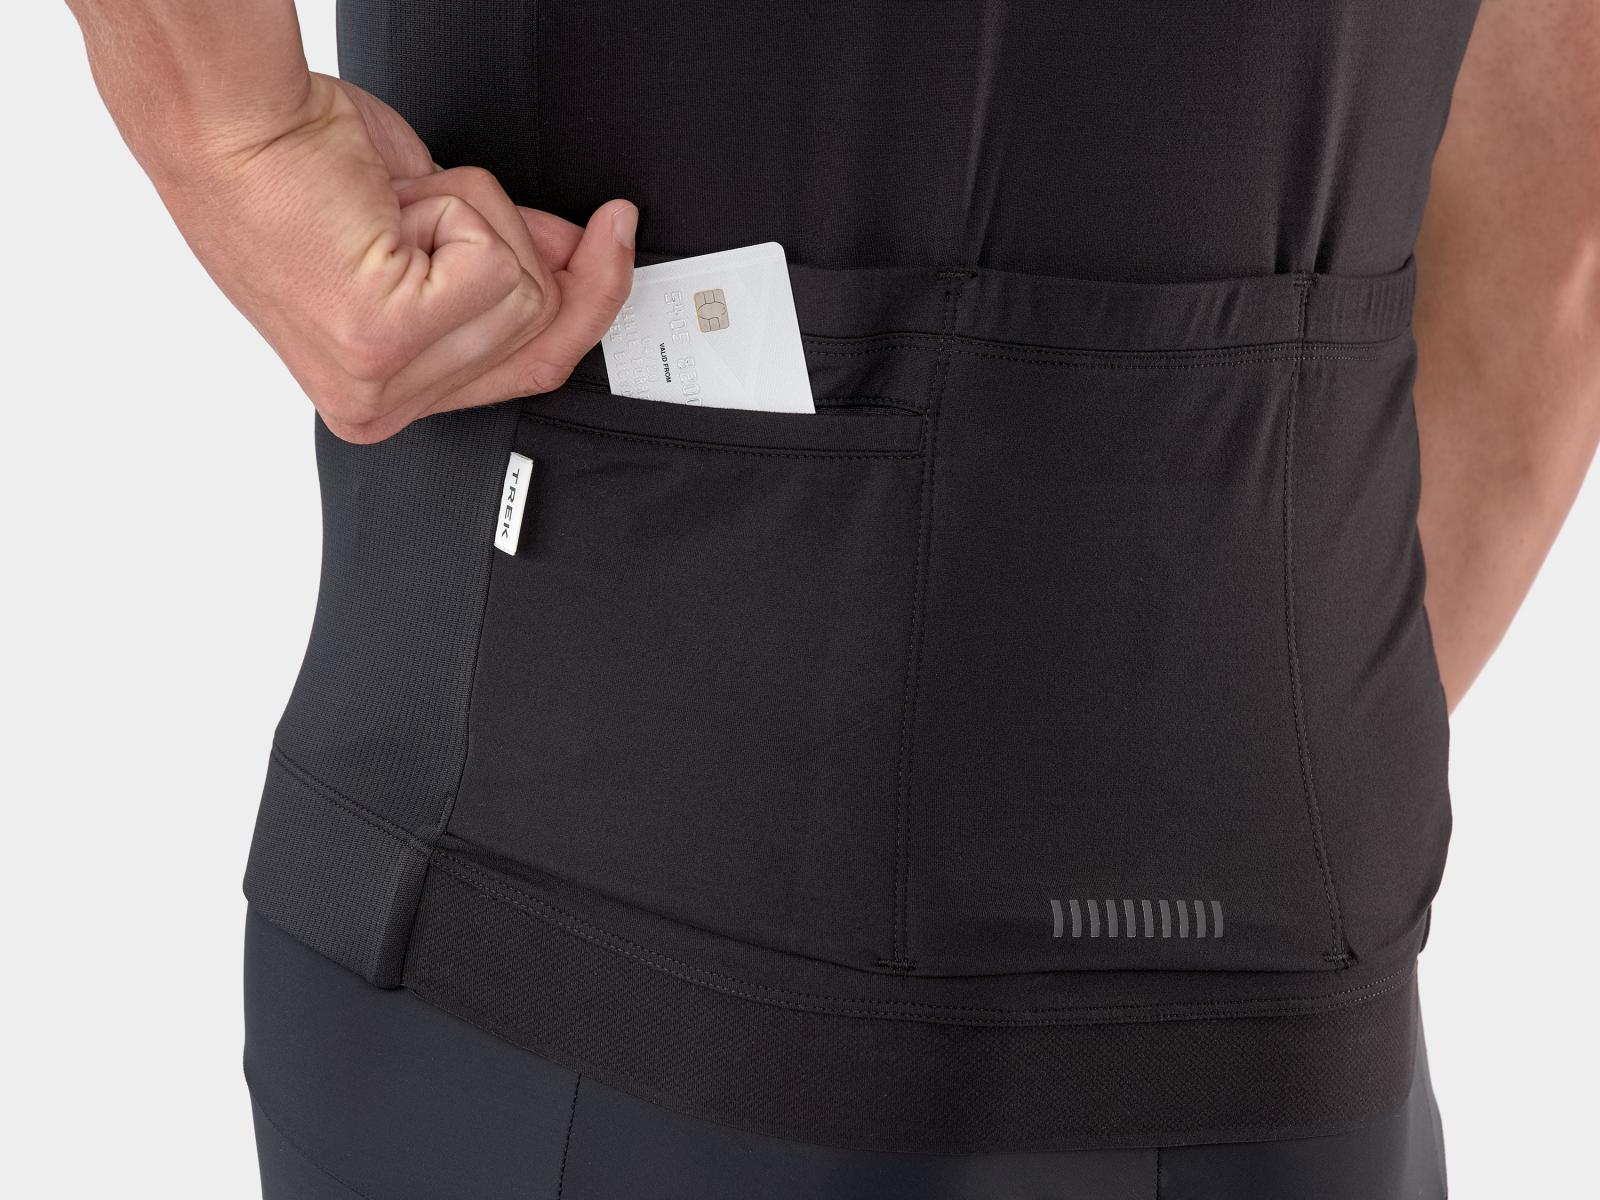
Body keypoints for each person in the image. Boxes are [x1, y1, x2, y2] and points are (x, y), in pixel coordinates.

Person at [67, 1, 1599, 1197]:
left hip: (627, 927)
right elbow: (1558, 226)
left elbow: (1561, 229)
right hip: (1244, 956)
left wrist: (235, 136)